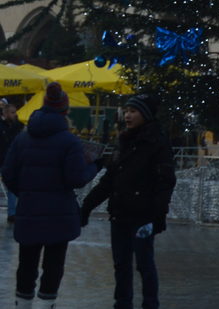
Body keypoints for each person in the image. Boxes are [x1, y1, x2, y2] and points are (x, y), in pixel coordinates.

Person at [2, 82, 100, 309]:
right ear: (64, 111)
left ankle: (22, 303)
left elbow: (8, 173)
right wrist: (94, 166)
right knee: (53, 264)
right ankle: (47, 304)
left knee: (27, 262)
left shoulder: (23, 138)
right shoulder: (69, 142)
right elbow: (76, 178)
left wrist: (24, 192)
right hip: (60, 212)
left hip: (29, 209)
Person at [80, 93, 176, 309]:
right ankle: (122, 304)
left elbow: (165, 182)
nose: (128, 115)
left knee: (144, 264)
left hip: (143, 216)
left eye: (133, 111)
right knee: (121, 264)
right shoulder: (123, 141)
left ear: (146, 115)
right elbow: (109, 180)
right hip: (120, 213)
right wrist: (87, 206)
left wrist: (158, 216)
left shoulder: (157, 142)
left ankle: (150, 304)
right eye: (127, 111)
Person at [0, 101, 21, 224]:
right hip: (3, 159)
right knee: (11, 187)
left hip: (10, 161)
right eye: (12, 113)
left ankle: (12, 213)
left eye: (15, 112)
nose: (15, 115)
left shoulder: (16, 126)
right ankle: (12, 212)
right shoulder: (3, 127)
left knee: (12, 187)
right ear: (6, 113)